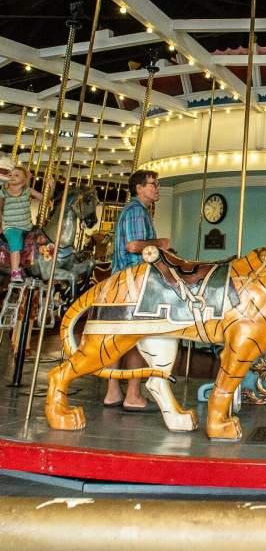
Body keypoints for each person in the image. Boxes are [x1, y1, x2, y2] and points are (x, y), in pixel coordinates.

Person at [104, 169, 170, 411]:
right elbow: (133, 246)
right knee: (140, 338)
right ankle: (133, 394)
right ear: (139, 188)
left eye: (157, 184)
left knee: (122, 340)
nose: (156, 188)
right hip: (134, 281)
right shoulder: (136, 211)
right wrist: (160, 243)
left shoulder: (138, 211)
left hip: (125, 282)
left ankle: (113, 392)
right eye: (152, 184)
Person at [0, 166, 47, 282]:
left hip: (27, 226)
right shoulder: (2, 191)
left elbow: (44, 198)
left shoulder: (28, 190)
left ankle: (36, 265)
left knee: (42, 238)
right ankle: (15, 271)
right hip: (11, 226)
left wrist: (49, 187)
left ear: (25, 178)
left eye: (17, 175)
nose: (12, 177)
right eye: (10, 175)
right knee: (15, 240)